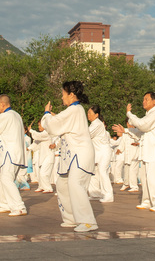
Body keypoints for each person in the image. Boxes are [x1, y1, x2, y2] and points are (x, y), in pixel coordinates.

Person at [41, 80, 98, 232]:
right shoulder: (74, 110)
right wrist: (52, 117)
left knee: (75, 184)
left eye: (63, 94)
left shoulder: (75, 109)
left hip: (81, 155)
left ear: (71, 95)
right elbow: (59, 121)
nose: (62, 98)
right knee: (62, 184)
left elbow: (53, 125)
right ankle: (72, 218)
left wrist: (46, 113)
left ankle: (88, 221)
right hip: (74, 155)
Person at [121, 91, 155, 212]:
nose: (144, 102)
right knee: (145, 179)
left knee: (153, 179)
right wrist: (125, 130)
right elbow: (141, 132)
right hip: (148, 152)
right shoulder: (149, 115)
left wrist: (130, 114)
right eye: (143, 99)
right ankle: (147, 201)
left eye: (146, 99)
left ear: (154, 101)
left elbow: (142, 125)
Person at [87, 104, 114, 203]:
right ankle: (95, 194)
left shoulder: (97, 124)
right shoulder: (93, 124)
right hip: (96, 152)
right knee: (92, 172)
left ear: (96, 114)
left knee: (103, 172)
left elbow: (86, 135)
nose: (88, 115)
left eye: (90, 113)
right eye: (88, 113)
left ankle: (108, 195)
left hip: (103, 151)